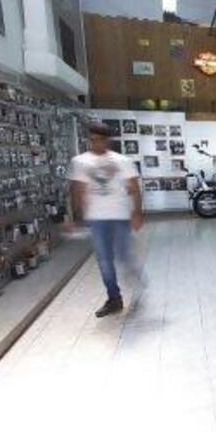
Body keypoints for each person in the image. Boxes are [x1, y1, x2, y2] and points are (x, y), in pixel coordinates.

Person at [69, 123, 144, 317]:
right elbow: (77, 191)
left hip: (119, 216)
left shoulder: (122, 161)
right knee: (104, 261)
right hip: (96, 219)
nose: (96, 143)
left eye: (100, 139)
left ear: (107, 140)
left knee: (124, 256)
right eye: (92, 139)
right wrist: (77, 218)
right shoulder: (80, 162)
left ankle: (136, 282)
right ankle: (114, 298)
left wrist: (137, 213)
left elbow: (134, 188)